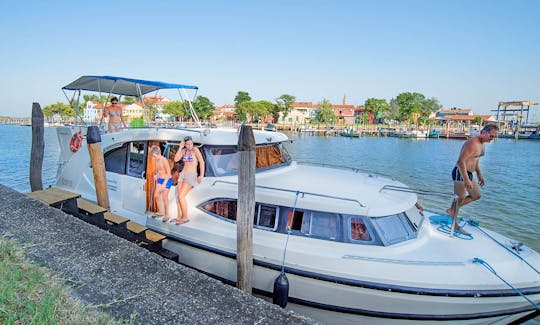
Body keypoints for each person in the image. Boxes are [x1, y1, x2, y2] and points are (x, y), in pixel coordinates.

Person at [446, 124, 499, 232]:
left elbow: (476, 160)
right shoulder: (472, 143)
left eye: (494, 137)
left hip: (470, 173)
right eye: (491, 136)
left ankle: (452, 210)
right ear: (484, 132)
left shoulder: (482, 144)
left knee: (476, 195)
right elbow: (460, 162)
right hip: (460, 173)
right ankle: (455, 224)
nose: (492, 139)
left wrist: (479, 174)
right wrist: (466, 179)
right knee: (460, 198)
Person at [172, 136, 205, 224]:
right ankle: (179, 217)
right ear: (185, 144)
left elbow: (202, 162)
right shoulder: (184, 151)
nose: (190, 146)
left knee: (181, 196)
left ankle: (185, 217)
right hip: (183, 174)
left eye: (191, 143)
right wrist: (180, 147)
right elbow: (176, 159)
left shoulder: (195, 150)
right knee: (178, 195)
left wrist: (201, 175)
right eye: (188, 144)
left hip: (191, 175)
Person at [149, 145, 172, 220]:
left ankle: (167, 214)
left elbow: (169, 173)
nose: (153, 158)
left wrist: (164, 184)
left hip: (167, 179)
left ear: (158, 153)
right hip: (160, 179)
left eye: (154, 156)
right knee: (156, 195)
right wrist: (156, 175)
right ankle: (161, 212)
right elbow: (159, 170)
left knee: (164, 196)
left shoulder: (164, 160)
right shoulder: (156, 160)